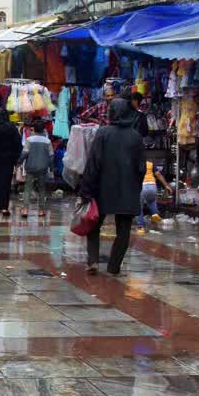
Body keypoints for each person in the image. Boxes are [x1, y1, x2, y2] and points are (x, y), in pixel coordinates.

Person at [79, 98, 145, 276]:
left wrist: (86, 189)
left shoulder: (103, 133)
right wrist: (136, 187)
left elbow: (94, 163)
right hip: (127, 189)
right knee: (123, 231)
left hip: (102, 189)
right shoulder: (136, 136)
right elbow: (141, 168)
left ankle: (93, 260)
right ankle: (114, 266)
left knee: (93, 225)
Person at [20, 119, 53, 218]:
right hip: (43, 168)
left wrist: (19, 162)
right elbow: (51, 156)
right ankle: (41, 210)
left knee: (28, 189)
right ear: (44, 129)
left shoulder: (29, 140)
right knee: (42, 189)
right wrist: (51, 167)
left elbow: (25, 153)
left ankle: (25, 210)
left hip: (30, 167)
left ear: (34, 129)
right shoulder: (47, 141)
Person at [137, 160, 174, 231]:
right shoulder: (150, 164)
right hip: (152, 186)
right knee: (151, 202)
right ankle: (155, 214)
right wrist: (166, 185)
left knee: (138, 207)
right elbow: (159, 175)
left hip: (141, 186)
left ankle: (141, 226)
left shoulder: (133, 164)